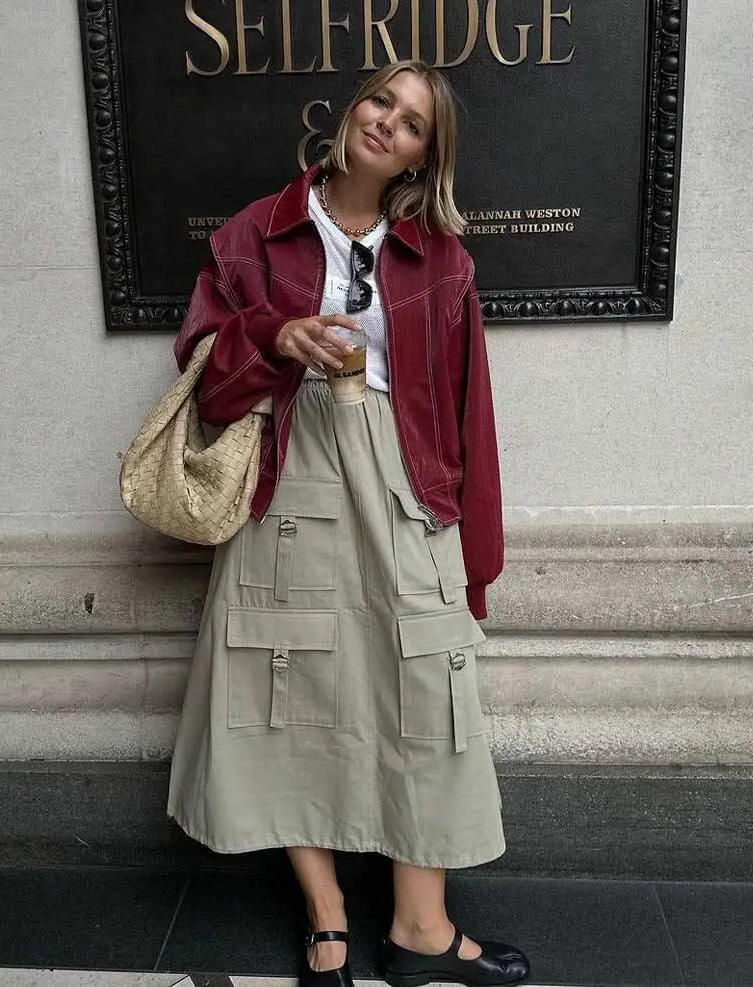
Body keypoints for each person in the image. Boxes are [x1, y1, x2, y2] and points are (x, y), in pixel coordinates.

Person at [167, 60, 530, 987]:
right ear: (351, 108)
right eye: (381, 101)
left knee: (429, 697)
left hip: (406, 481)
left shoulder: (441, 257)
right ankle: (327, 918)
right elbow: (204, 376)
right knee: (283, 691)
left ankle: (421, 927)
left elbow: (465, 408)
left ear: (423, 155)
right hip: (290, 476)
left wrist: (474, 558)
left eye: (412, 123)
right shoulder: (257, 231)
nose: (388, 125)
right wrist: (269, 336)